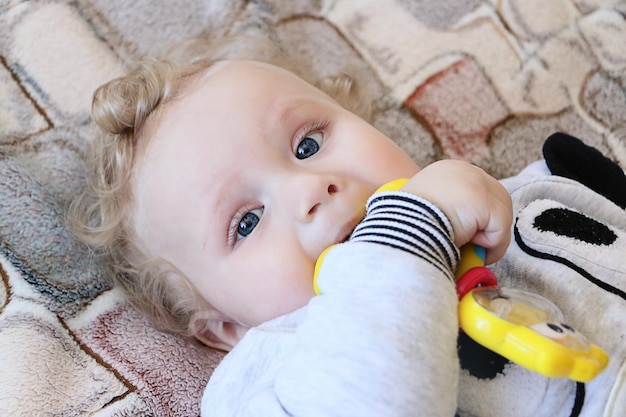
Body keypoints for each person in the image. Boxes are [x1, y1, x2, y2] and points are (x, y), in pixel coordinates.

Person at [70, 35, 623, 417]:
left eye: (307, 144)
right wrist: (413, 231)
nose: (309, 189)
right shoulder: (274, 371)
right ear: (225, 329)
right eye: (247, 222)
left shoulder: (527, 196)